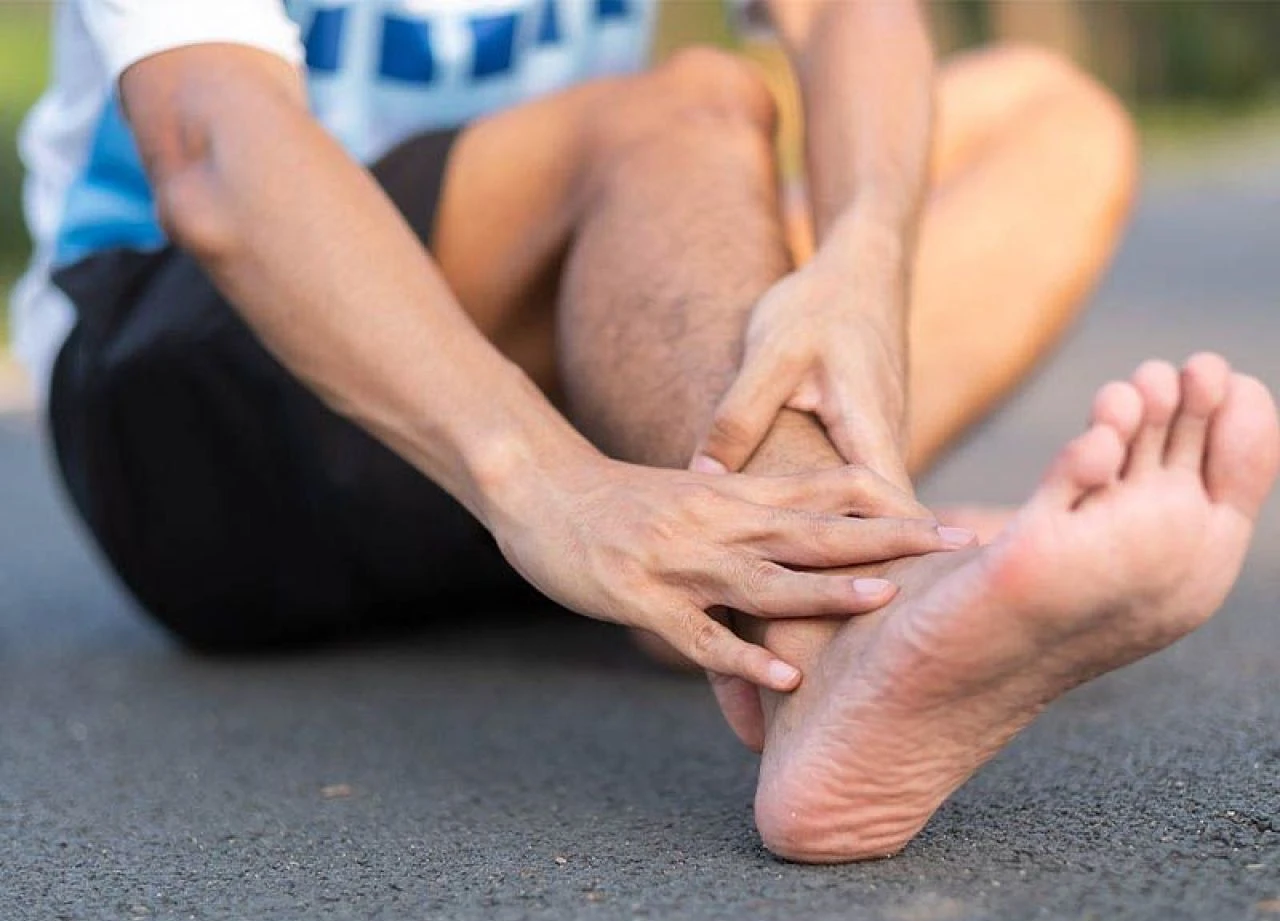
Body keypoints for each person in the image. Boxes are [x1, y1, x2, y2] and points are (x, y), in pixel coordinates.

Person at [12, 0, 1278, 863]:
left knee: (1047, 120)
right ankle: (834, 627)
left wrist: (863, 263)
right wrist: (543, 483)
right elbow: (212, 149)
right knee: (679, 108)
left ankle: (751, 569)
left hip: (583, 412)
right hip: (203, 418)